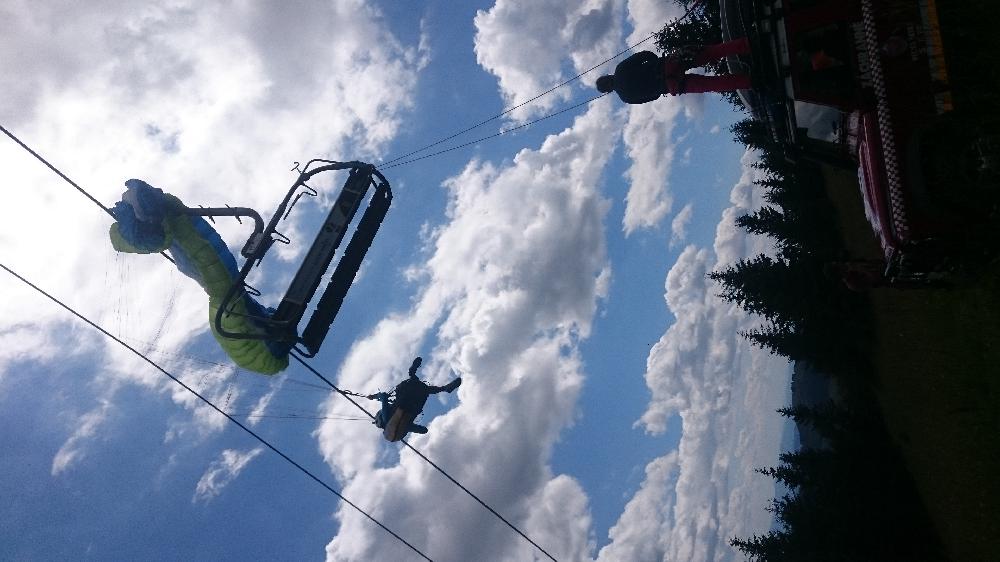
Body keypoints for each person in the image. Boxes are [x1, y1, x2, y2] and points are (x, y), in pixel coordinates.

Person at [596, 37, 752, 103]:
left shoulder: (626, 98)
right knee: (710, 53)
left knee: (712, 84)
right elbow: (644, 55)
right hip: (669, 64)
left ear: (608, 90)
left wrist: (659, 87)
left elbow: (653, 97)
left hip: (672, 85)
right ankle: (746, 44)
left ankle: (750, 81)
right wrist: (657, 62)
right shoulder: (620, 69)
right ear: (608, 77)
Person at [368, 357, 462, 441]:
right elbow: (383, 397)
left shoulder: (404, 427)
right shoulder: (386, 416)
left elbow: (423, 430)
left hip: (415, 404)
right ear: (380, 416)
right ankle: (412, 372)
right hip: (406, 398)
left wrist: (409, 427)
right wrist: (375, 396)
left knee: (425, 391)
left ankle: (445, 388)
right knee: (412, 384)